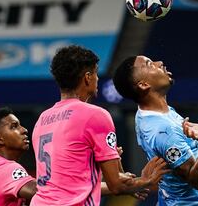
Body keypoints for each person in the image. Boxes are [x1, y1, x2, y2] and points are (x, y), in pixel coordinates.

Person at [31, 45, 170, 205]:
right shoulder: (95, 115)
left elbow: (71, 185)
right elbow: (116, 185)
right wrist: (146, 180)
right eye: (96, 73)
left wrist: (127, 182)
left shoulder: (42, 119)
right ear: (87, 77)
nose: (97, 78)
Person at [113, 55, 198, 205]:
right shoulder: (163, 130)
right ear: (143, 85)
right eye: (150, 64)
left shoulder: (145, 113)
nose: (160, 63)